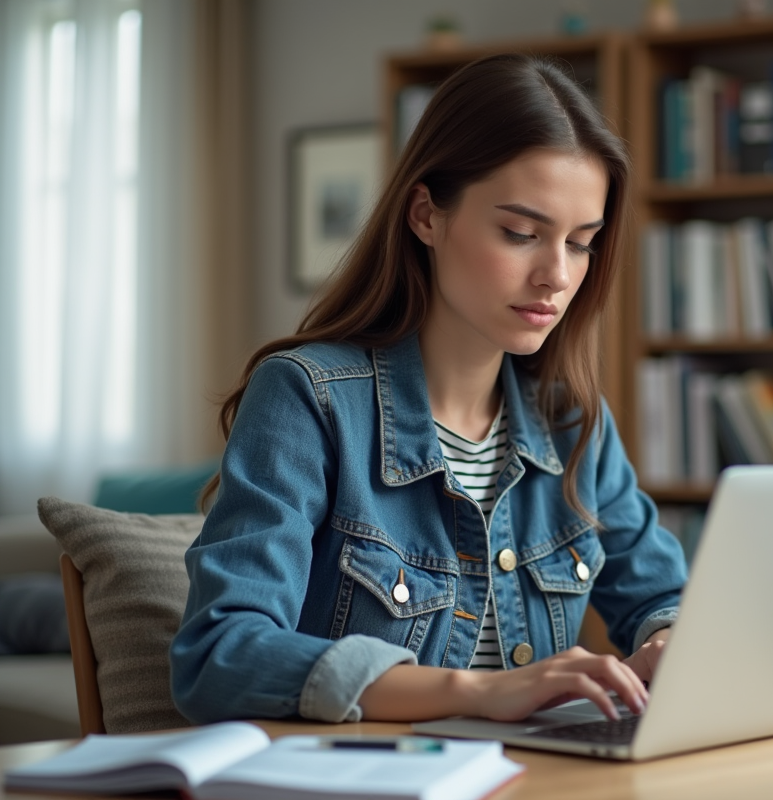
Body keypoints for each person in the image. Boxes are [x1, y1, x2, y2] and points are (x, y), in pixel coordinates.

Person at [169, 54, 688, 727]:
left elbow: (661, 595)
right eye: (521, 234)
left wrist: (668, 641)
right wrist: (477, 691)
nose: (557, 275)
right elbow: (219, 657)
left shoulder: (571, 421)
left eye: (582, 242)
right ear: (425, 215)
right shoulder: (309, 399)